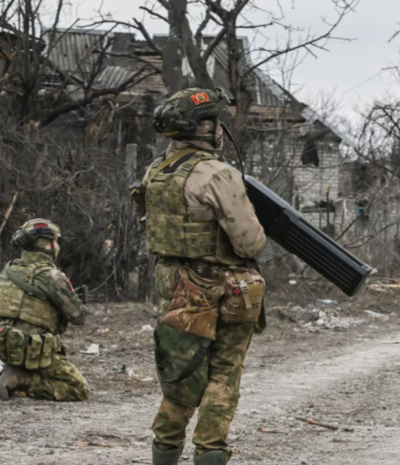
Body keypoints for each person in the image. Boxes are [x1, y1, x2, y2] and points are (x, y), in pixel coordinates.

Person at [133, 88, 267, 465]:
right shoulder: (216, 173)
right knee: (223, 376)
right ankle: (210, 453)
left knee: (180, 376)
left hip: (174, 285)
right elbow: (250, 243)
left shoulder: (155, 171)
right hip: (221, 287)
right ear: (203, 128)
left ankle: (165, 453)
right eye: (215, 122)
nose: (220, 129)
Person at [0, 219, 89, 401]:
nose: (56, 245)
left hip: (3, 344)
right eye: (55, 241)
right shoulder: (51, 276)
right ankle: (24, 379)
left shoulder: (8, 271)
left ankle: (16, 370)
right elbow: (78, 318)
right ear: (47, 245)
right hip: (31, 348)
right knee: (78, 388)